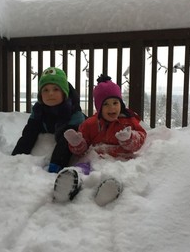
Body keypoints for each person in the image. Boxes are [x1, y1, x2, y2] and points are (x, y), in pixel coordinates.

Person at [53, 74, 147, 206]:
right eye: (106, 104)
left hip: (120, 159)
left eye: (115, 103)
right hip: (94, 158)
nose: (112, 108)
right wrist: (76, 143)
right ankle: (71, 181)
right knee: (82, 168)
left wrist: (129, 138)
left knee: (116, 171)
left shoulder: (128, 121)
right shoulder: (90, 123)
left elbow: (140, 139)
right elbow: (82, 149)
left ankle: (109, 187)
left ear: (121, 103)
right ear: (99, 107)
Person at [11, 67, 86, 173]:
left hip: (67, 134)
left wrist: (56, 164)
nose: (50, 93)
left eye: (56, 89)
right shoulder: (38, 110)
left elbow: (65, 143)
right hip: (50, 127)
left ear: (64, 93)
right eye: (45, 90)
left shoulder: (73, 112)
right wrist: (16, 157)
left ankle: (56, 168)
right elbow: (28, 133)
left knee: (67, 136)